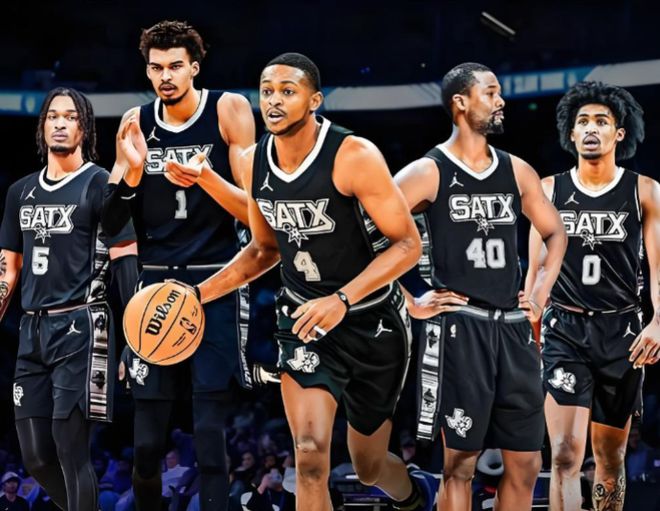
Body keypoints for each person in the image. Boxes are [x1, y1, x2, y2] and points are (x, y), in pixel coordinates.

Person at [193, 52, 436, 511]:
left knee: (368, 466)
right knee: (307, 457)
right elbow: (265, 250)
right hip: (303, 318)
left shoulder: (354, 155)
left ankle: (414, 495)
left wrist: (341, 299)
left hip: (373, 321)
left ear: (314, 101)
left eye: (288, 91)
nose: (274, 100)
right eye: (267, 91)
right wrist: (198, 294)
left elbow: (407, 246)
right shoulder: (252, 161)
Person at [395, 62, 567, 511]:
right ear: (461, 102)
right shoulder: (427, 170)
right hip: (460, 326)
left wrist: (540, 291)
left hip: (513, 327)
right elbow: (366, 231)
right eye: (490, 93)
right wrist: (410, 298)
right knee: (460, 465)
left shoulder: (517, 170)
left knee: (527, 464)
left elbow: (555, 232)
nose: (500, 100)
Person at [102, 19, 256, 511]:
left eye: (174, 66)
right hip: (154, 288)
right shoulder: (135, 120)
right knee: (146, 447)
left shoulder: (228, 109)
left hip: (216, 282)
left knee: (210, 438)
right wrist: (130, 172)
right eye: (156, 68)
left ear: (194, 67)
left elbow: (254, 211)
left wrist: (208, 178)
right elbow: (110, 223)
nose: (165, 76)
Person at [0, 88, 137, 511]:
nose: (60, 123)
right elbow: (8, 270)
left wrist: (134, 341)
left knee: (70, 448)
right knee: (36, 457)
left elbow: (126, 259)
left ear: (85, 129)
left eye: (71, 117)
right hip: (32, 329)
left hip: (82, 327)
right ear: (42, 126)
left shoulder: (99, 184)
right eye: (53, 116)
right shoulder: (19, 191)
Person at [525, 81, 660, 511]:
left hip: (622, 331)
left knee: (610, 459)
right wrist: (528, 324)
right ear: (570, 133)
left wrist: (658, 323)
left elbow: (658, 268)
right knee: (565, 455)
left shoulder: (644, 190)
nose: (590, 128)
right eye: (582, 121)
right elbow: (536, 272)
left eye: (601, 121)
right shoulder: (549, 190)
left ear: (619, 133)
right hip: (565, 328)